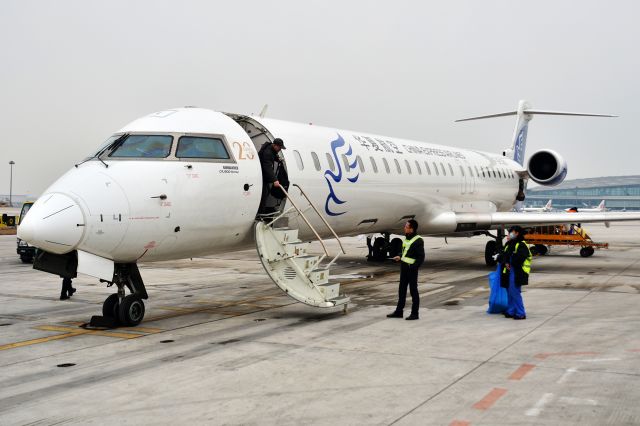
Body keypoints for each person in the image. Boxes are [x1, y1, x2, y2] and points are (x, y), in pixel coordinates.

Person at [387, 220, 425, 320]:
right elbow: (405, 253)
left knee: (413, 291)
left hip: (411, 269)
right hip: (404, 268)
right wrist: (399, 256)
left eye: (406, 226)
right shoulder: (407, 239)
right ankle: (399, 311)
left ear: (411, 229)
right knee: (402, 290)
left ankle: (415, 313)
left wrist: (413, 267)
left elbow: (421, 257)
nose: (404, 227)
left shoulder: (418, 240)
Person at [499, 225, 532, 320]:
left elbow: (520, 257)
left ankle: (521, 313)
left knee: (514, 292)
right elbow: (504, 254)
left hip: (517, 271)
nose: (510, 234)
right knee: (510, 291)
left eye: (511, 232)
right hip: (509, 271)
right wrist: (505, 261)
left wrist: (510, 262)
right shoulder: (510, 243)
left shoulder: (521, 244)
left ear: (517, 233)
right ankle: (511, 310)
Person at [258, 138, 286, 214]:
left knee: (266, 191)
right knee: (264, 195)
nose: (280, 149)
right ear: (275, 145)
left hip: (264, 177)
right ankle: (260, 213)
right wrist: (275, 180)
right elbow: (267, 168)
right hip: (262, 177)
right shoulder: (268, 153)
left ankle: (261, 211)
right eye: (279, 147)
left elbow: (273, 155)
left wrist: (278, 159)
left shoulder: (271, 148)